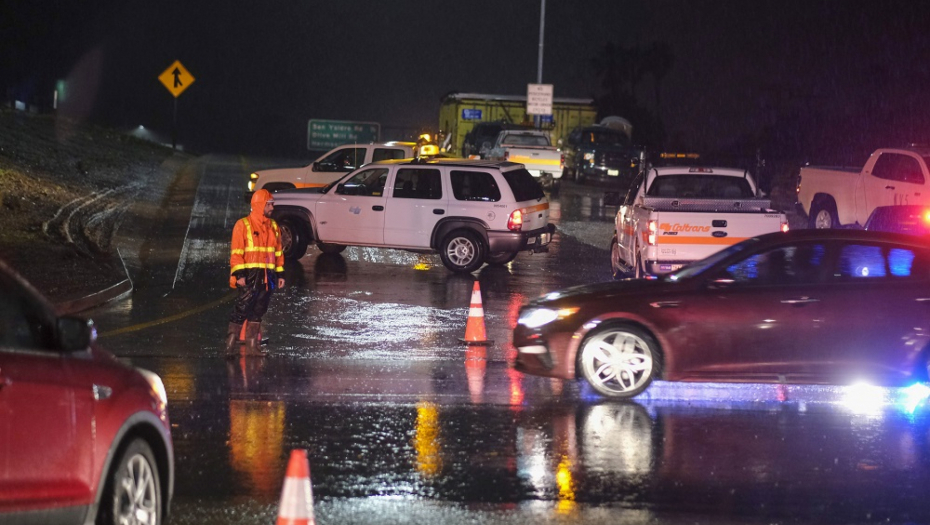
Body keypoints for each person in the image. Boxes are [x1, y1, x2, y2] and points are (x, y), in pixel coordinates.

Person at [225, 189, 285, 357]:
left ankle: (253, 348)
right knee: (241, 309)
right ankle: (229, 346)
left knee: (258, 311)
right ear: (260, 205)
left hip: (268, 276)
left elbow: (278, 252)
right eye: (269, 204)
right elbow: (236, 253)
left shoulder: (273, 226)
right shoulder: (242, 225)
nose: (272, 207)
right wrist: (240, 275)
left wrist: (280, 275)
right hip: (250, 275)